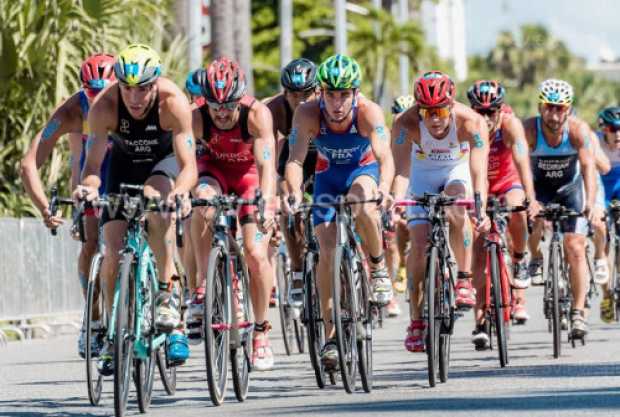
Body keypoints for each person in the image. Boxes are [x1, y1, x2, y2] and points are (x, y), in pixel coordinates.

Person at [75, 44, 198, 374]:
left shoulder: (173, 102)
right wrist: (88, 188)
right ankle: (115, 331)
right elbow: (93, 166)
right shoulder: (105, 106)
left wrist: (182, 193)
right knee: (112, 250)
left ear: (155, 84)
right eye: (128, 88)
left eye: (143, 88)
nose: (135, 97)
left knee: (157, 205)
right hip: (124, 166)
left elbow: (189, 166)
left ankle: (166, 293)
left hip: (163, 163)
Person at [284, 54, 395, 369]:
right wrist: (293, 192)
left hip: (363, 171)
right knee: (327, 252)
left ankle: (377, 267)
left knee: (362, 203)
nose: (336, 102)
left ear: (355, 93)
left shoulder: (368, 112)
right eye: (330, 94)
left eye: (344, 94)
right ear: (320, 92)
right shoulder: (307, 113)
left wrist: (385, 189)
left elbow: (385, 158)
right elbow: (294, 159)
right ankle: (332, 337)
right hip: (328, 176)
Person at [20, 53, 115, 358]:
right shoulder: (72, 111)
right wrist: (46, 207)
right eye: (91, 92)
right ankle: (93, 319)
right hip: (90, 179)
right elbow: (29, 164)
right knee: (90, 246)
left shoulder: (132, 98)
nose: (98, 98)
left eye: (105, 91)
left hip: (128, 170)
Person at [391, 71, 490, 353]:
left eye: (440, 111)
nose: (434, 119)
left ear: (451, 105)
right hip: (420, 173)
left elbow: (478, 171)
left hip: (455, 170)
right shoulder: (404, 123)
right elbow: (400, 172)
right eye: (427, 112)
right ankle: (416, 320)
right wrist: (395, 201)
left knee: (459, 206)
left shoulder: (471, 121)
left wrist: (479, 206)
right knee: (419, 245)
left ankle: (464, 279)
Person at [189, 57, 278, 371]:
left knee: (255, 253)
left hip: (248, 177)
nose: (222, 113)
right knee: (200, 200)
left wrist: (266, 201)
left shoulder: (257, 114)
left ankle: (261, 331)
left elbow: (267, 166)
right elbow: (184, 163)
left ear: (240, 99)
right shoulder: (195, 117)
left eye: (229, 106)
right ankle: (202, 285)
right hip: (213, 173)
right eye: (215, 106)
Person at [466, 80, 539, 348]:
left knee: (518, 210)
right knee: (477, 249)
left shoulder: (511, 124)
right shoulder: (466, 126)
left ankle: (519, 259)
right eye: (479, 112)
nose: (485, 118)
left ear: (500, 110)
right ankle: (480, 321)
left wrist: (530, 198)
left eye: (491, 112)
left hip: (508, 183)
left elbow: (521, 161)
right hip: (479, 186)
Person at [525, 79, 597, 339]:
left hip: (570, 191)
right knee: (531, 222)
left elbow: (588, 167)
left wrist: (589, 203)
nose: (554, 114)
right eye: (549, 107)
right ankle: (535, 256)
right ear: (540, 107)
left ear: (568, 109)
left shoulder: (578, 130)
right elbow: (519, 167)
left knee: (576, 248)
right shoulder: (529, 130)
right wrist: (529, 200)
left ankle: (578, 313)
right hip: (539, 189)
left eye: (560, 108)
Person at [263, 58, 319, 311]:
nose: (301, 100)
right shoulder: (272, 110)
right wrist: (276, 191)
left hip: (322, 157)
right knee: (289, 209)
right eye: (294, 95)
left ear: (317, 90)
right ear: (284, 93)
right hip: (290, 159)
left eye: (307, 93)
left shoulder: (325, 104)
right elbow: (268, 155)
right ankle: (297, 271)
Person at [383, 95, 417, 316]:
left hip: (416, 187)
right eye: (398, 112)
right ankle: (388, 292)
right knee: (389, 239)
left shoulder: (420, 133)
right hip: (393, 187)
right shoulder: (387, 135)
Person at [595, 106, 620, 322]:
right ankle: (605, 297)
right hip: (602, 188)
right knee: (601, 236)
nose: (618, 134)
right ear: (604, 129)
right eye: (613, 129)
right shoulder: (594, 141)